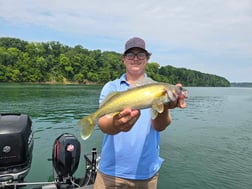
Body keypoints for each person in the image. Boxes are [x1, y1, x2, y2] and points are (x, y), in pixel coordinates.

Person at [93, 37, 186, 189]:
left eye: (140, 54)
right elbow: (103, 124)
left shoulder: (156, 87)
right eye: (130, 54)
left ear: (147, 59)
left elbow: (159, 126)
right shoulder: (111, 87)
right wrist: (116, 124)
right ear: (124, 59)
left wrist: (164, 108)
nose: (135, 58)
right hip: (110, 174)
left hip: (146, 176)